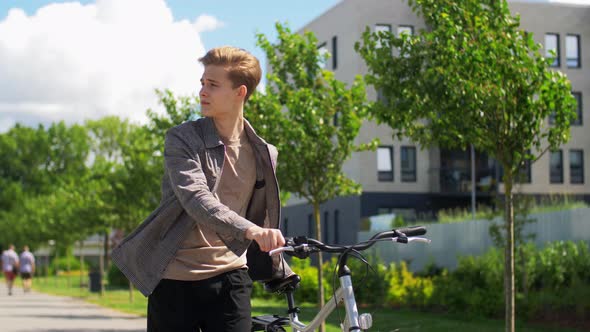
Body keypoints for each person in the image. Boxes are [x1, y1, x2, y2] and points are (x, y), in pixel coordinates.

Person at [112, 46, 293, 332]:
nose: (202, 92)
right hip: (174, 280)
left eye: (213, 85)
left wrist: (276, 258)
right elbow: (197, 200)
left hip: (230, 276)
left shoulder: (264, 153)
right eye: (202, 83)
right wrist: (252, 231)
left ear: (240, 92)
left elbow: (263, 214)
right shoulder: (182, 139)